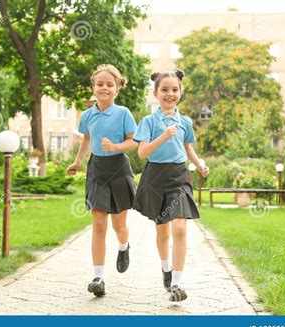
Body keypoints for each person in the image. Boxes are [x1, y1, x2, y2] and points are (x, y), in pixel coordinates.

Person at [133, 70, 209, 302]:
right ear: (156, 93)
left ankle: (177, 283)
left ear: (180, 93)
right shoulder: (148, 121)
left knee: (180, 228)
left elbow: (187, 147)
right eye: (164, 89)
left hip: (179, 176)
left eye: (174, 89)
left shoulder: (185, 121)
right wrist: (164, 136)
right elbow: (142, 152)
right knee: (163, 230)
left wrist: (199, 164)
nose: (170, 94)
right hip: (155, 177)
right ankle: (166, 268)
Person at [66, 64, 137, 297]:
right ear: (93, 87)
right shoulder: (87, 115)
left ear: (117, 89)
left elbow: (133, 141)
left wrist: (116, 146)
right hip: (96, 169)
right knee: (98, 224)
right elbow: (87, 139)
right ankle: (98, 278)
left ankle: (124, 246)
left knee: (119, 226)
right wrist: (78, 162)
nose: (104, 88)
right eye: (100, 84)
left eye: (109, 84)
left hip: (119, 168)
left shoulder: (123, 113)